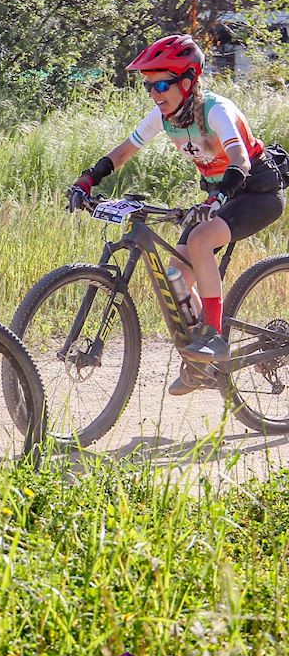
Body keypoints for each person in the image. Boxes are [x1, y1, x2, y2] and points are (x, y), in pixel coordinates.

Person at [70, 33, 285, 393]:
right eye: (149, 86)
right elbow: (123, 152)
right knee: (176, 276)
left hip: (256, 192)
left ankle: (214, 335)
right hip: (219, 196)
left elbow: (240, 160)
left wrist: (217, 199)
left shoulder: (215, 110)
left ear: (187, 82)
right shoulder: (163, 116)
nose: (155, 93)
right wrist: (87, 180)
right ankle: (203, 366)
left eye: (162, 84)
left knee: (200, 240)